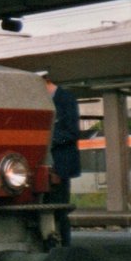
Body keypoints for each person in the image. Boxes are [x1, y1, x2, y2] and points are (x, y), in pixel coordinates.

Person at [43, 72, 80, 245]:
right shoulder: (44, 101)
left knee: (59, 209)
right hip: (47, 164)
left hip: (60, 164)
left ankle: (64, 245)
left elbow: (72, 133)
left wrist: (48, 140)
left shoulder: (65, 99)